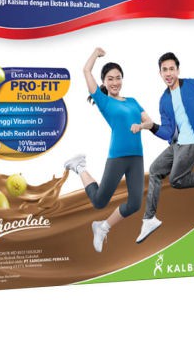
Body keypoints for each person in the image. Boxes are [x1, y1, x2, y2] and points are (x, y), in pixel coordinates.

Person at [64, 47, 151, 252]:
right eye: (110, 79)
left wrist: (141, 126)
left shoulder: (133, 101)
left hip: (137, 157)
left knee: (135, 204)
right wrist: (95, 53)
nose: (115, 82)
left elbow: (149, 122)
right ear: (104, 82)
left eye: (118, 78)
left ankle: (102, 227)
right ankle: (79, 167)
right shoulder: (104, 101)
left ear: (122, 79)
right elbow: (86, 71)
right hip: (117, 156)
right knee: (99, 202)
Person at [135, 52, 194, 243]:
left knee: (176, 180)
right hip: (177, 143)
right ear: (160, 73)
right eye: (164, 70)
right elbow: (166, 132)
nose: (168, 73)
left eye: (172, 69)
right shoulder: (164, 100)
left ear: (178, 70)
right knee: (155, 170)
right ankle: (149, 219)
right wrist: (151, 126)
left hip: (193, 142)